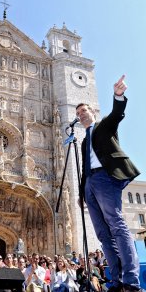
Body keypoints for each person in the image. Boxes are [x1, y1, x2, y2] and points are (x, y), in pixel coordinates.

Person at [76, 75, 141, 292]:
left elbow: (117, 114)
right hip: (90, 185)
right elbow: (84, 168)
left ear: (92, 112)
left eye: (84, 111)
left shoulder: (104, 126)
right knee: (103, 235)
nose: (80, 115)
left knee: (117, 225)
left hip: (105, 178)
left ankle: (131, 280)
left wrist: (118, 95)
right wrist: (81, 192)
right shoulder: (84, 140)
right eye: (77, 113)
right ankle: (116, 280)